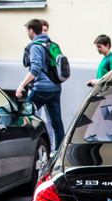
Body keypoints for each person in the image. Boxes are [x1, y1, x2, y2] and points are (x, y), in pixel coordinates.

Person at [16, 19, 65, 147]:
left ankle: (26, 147)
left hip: (41, 89)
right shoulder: (52, 44)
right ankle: (58, 153)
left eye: (27, 30)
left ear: (31, 31)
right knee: (57, 123)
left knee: (23, 113)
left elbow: (35, 69)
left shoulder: (35, 46)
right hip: (55, 88)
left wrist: (22, 85)